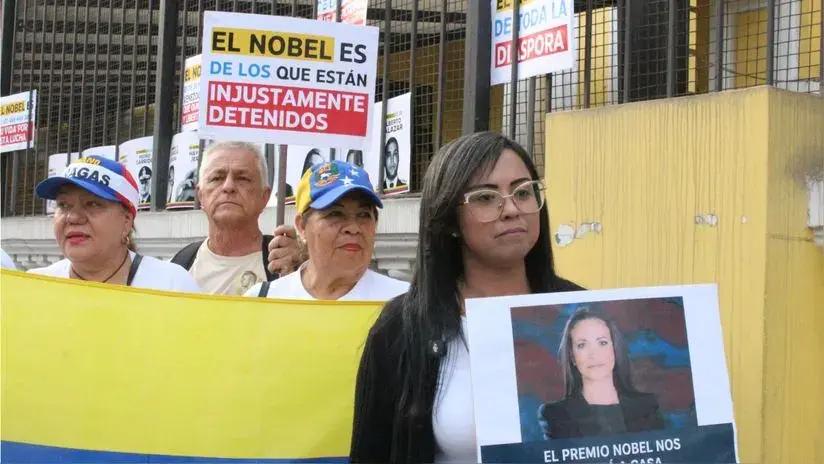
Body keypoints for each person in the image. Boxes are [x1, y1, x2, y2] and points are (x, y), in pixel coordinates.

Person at [350, 132, 582, 463]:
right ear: (449, 220)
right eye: (486, 197)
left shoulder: (582, 311)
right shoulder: (402, 328)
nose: (512, 209)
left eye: (523, 192)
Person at [28, 156, 200, 292]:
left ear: (126, 222)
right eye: (63, 205)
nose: (73, 218)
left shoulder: (171, 286)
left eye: (92, 204)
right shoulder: (34, 287)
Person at [248, 160, 408, 300]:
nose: (353, 228)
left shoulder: (404, 303)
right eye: (335, 214)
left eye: (363, 215)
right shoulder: (263, 301)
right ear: (302, 226)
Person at [170, 141, 302, 295]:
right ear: (200, 195)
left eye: (243, 178)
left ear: (264, 196)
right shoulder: (180, 266)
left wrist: (302, 271)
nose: (228, 186)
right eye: (217, 178)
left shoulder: (285, 261)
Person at [538, 307, 665, 439]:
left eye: (602, 343)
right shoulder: (555, 416)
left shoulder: (648, 406)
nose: (594, 354)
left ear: (614, 349)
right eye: (582, 345)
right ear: (572, 356)